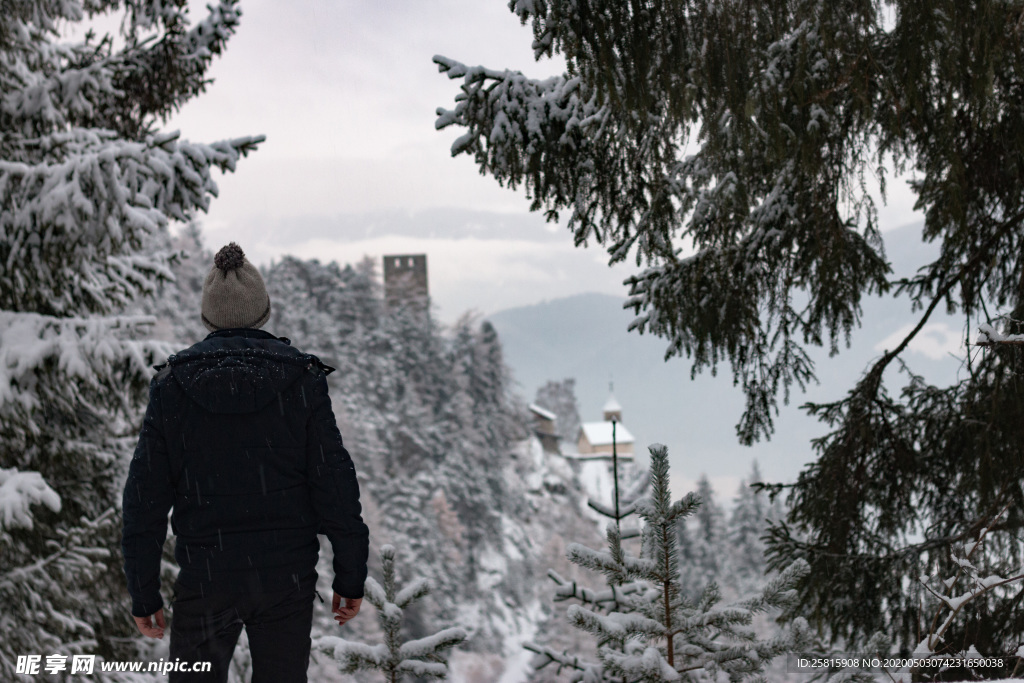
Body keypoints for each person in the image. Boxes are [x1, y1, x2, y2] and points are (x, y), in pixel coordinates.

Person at [121, 242, 369, 682]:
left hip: (205, 577)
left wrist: (144, 595)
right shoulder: (301, 381)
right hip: (285, 579)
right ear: (263, 312)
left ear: (208, 317)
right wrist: (350, 577)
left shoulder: (173, 387)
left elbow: (144, 501)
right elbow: (335, 486)